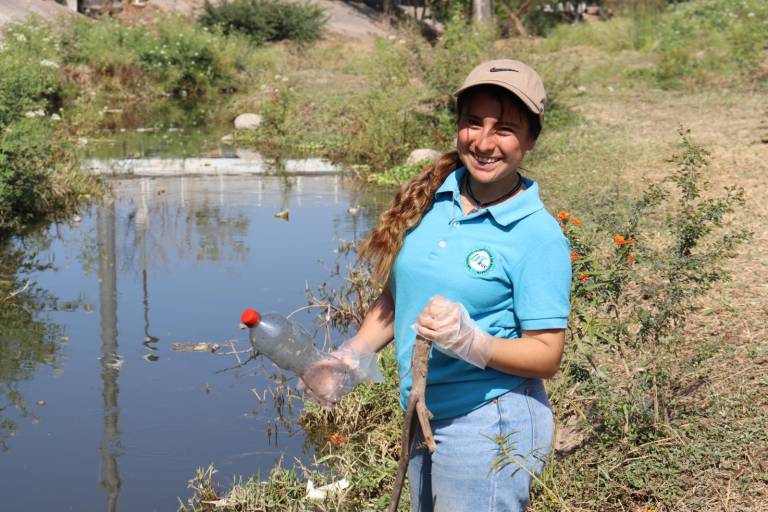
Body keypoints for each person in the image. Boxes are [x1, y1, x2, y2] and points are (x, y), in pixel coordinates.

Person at [303, 59, 571, 512]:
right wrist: (351, 356)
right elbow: (396, 298)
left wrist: (473, 343)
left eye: (504, 129)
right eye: (473, 122)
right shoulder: (434, 196)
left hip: (490, 422)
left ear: (530, 139)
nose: (484, 143)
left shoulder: (537, 234)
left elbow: (547, 355)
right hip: (424, 413)